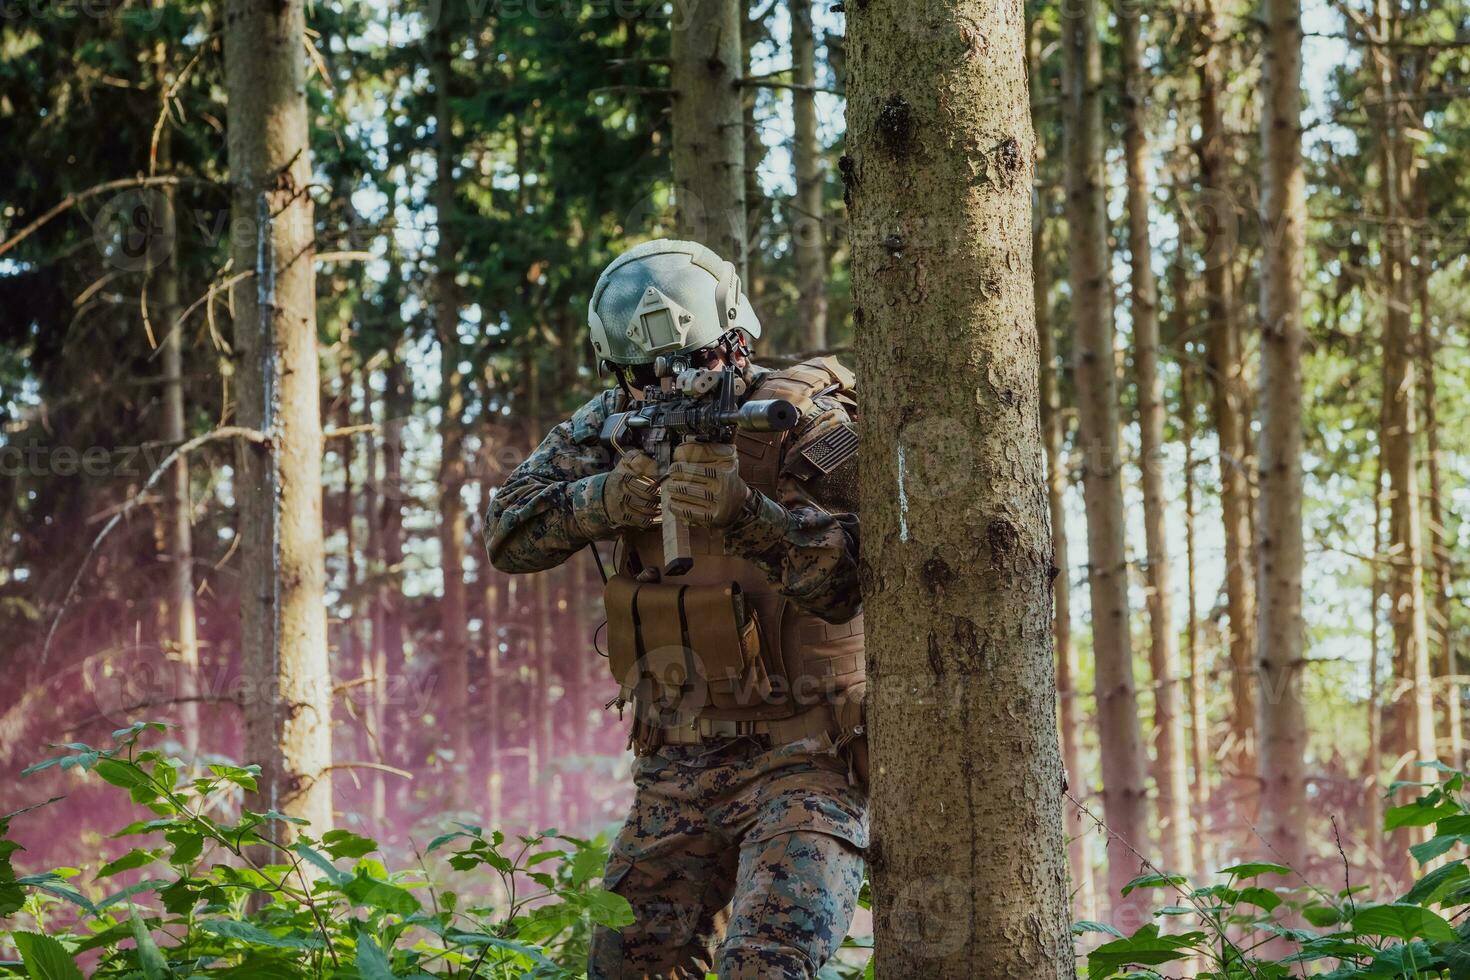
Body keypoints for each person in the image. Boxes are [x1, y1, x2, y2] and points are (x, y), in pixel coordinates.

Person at [485, 238, 867, 979]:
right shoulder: (610, 423)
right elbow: (509, 534)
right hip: (678, 761)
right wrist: (601, 500)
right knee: (630, 966)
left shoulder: (802, 420)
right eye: (639, 377)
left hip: (808, 756)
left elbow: (858, 582)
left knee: (767, 965)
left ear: (736, 341)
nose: (667, 388)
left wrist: (748, 516)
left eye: (693, 362)